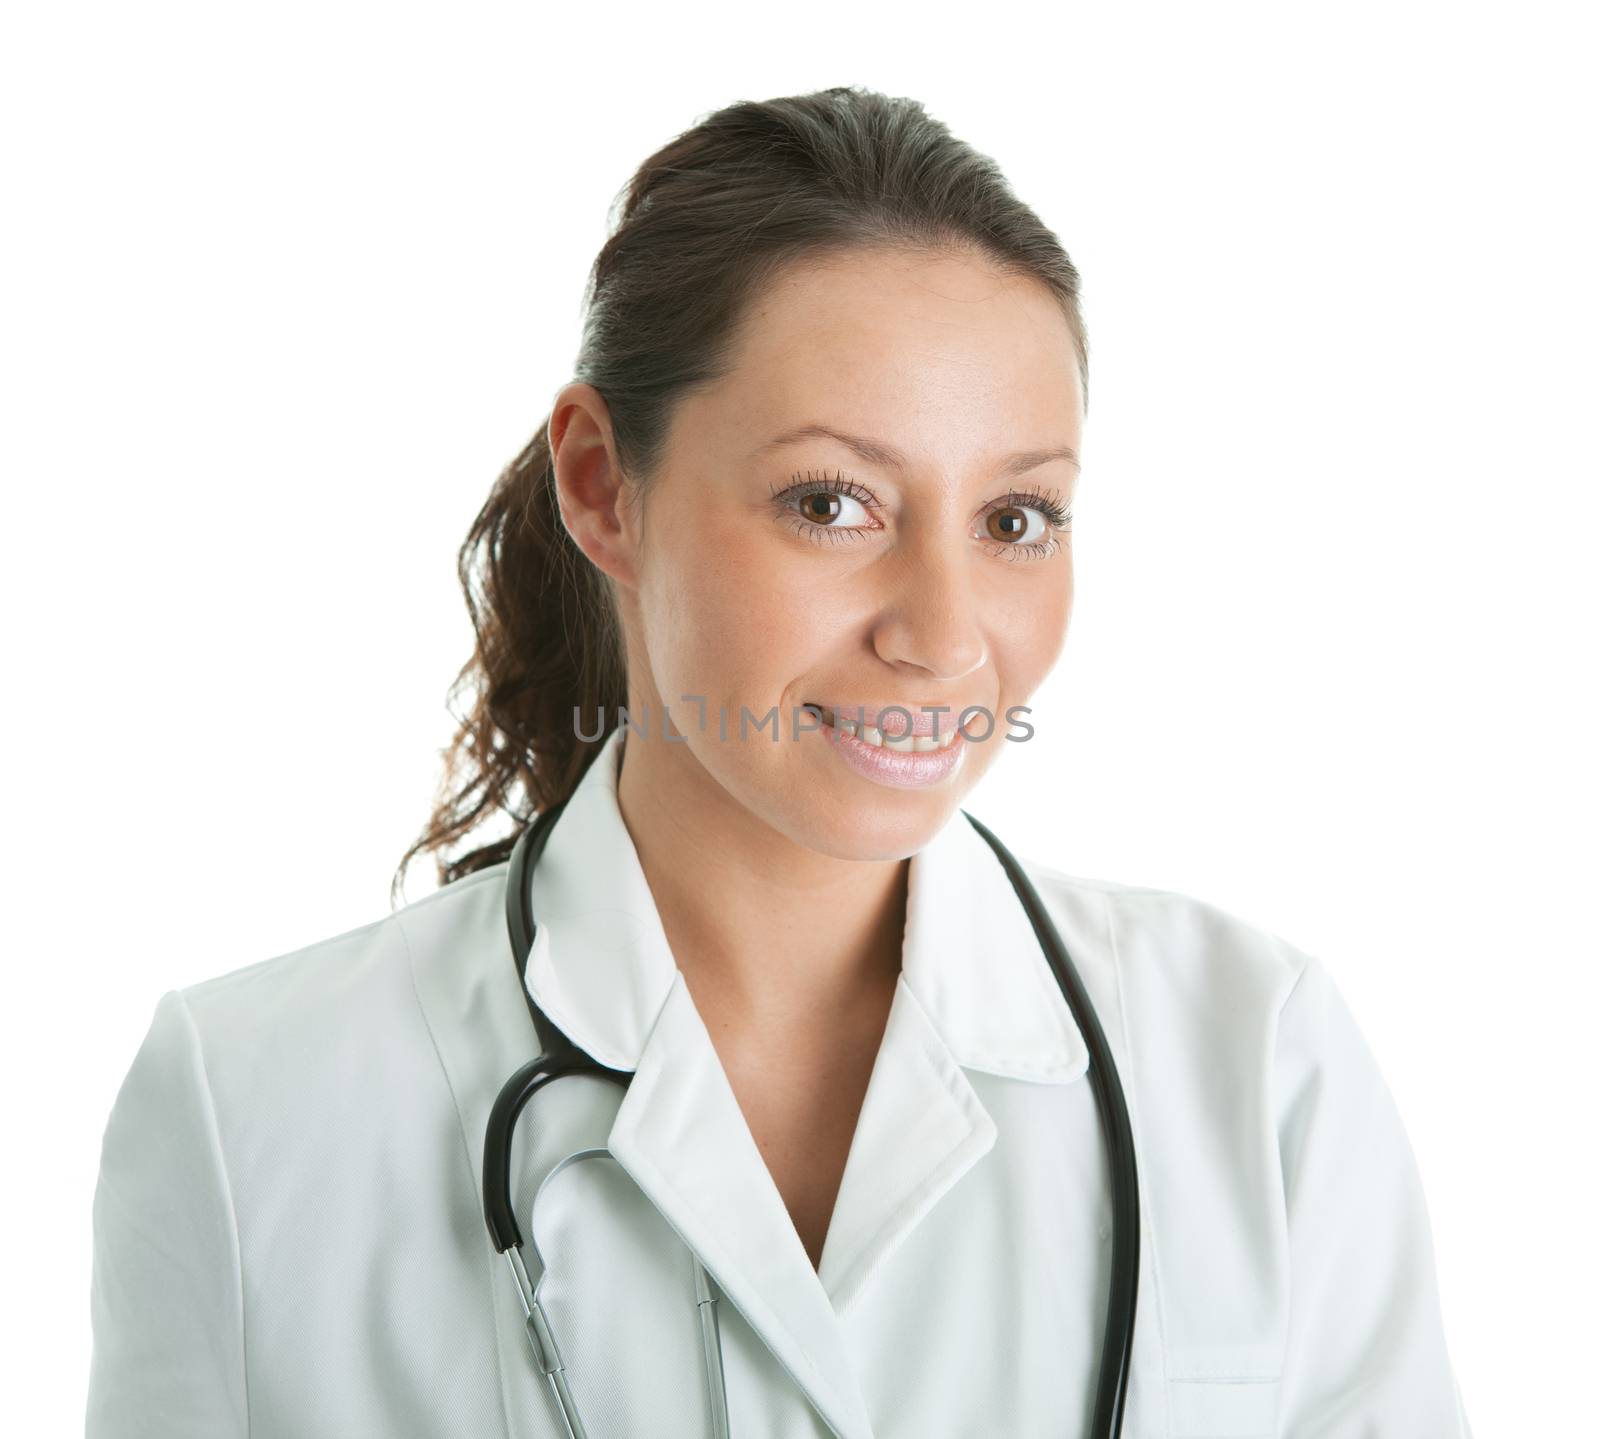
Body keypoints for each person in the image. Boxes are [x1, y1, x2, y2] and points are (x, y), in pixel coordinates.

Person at [86, 86, 1473, 1438]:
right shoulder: (249, 1105)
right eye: (832, 502)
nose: (942, 635)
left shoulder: (1254, 1063)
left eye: (1016, 518)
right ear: (600, 485)